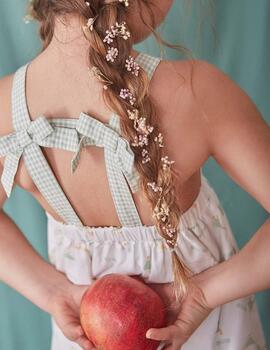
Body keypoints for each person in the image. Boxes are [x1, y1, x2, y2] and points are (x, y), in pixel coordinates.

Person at [0, 0, 269, 349]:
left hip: (85, 333)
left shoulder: (6, 107)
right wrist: (203, 292)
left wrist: (57, 292)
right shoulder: (195, 91)